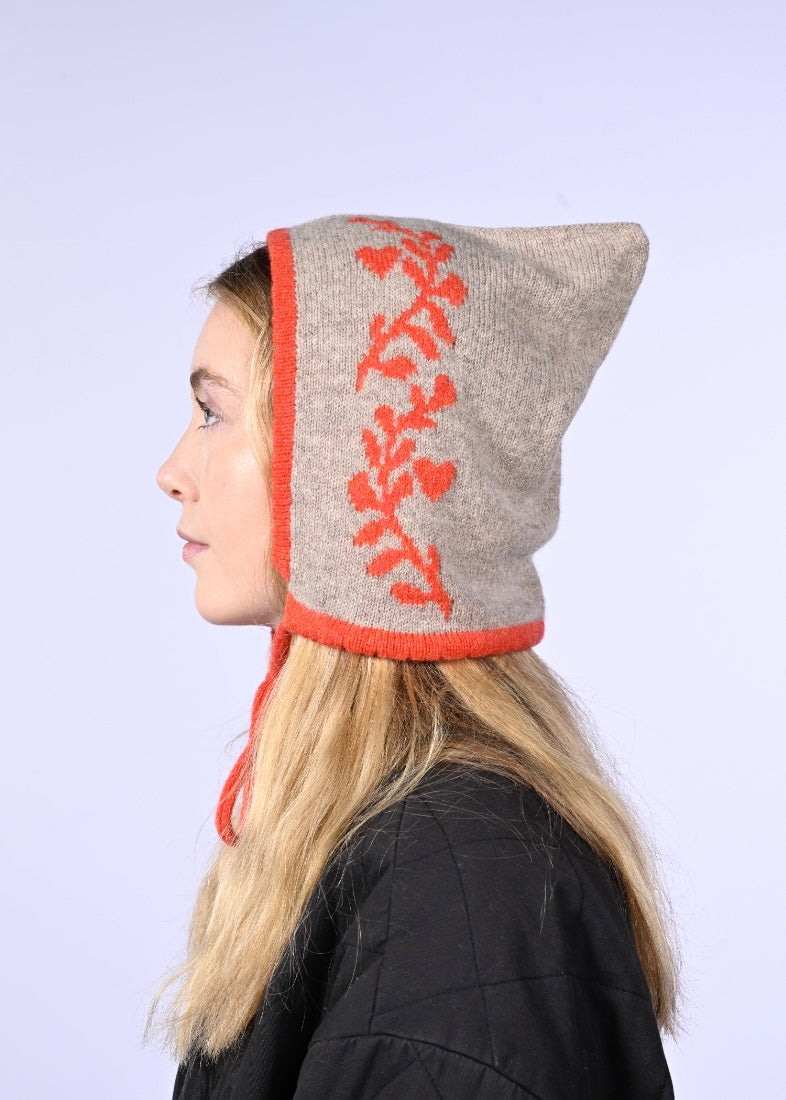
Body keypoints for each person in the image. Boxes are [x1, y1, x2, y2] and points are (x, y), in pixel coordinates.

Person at [153, 213, 681, 1098]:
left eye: (214, 413)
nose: (172, 469)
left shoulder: (464, 880)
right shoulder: (389, 834)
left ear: (340, 465)